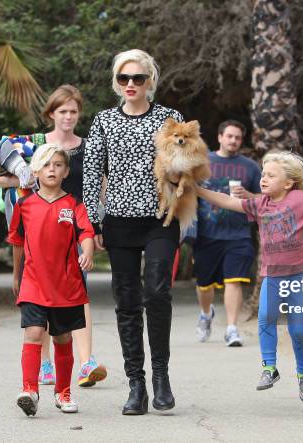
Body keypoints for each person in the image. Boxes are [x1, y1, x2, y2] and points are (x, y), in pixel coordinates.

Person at [195, 150, 303, 402]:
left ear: (288, 183)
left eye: (270, 175)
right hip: (273, 276)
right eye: (263, 174)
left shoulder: (300, 199)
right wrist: (197, 190)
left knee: (298, 330)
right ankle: (269, 368)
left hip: (300, 276)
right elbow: (226, 201)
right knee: (266, 318)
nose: (263, 179)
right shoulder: (259, 204)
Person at [83, 49, 183, 415]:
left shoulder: (171, 117)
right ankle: (136, 385)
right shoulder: (104, 121)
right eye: (123, 78)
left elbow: (188, 162)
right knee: (126, 302)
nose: (130, 85)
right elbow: (92, 173)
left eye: (137, 78)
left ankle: (161, 377)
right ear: (116, 82)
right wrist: (92, 223)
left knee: (157, 291)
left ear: (150, 82)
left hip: (162, 218)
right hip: (120, 222)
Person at [0, 85, 107, 388]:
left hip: (74, 222)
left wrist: (97, 225)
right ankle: (44, 364)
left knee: (78, 291)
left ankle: (86, 362)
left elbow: (99, 185)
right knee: (41, 294)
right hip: (39, 226)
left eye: (73, 111)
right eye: (62, 111)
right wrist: (24, 173)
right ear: (51, 113)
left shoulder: (88, 145)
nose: (68, 116)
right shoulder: (34, 144)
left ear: (79, 114)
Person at [8, 144, 95, 416]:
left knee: (62, 338)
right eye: (46, 165)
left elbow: (85, 232)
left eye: (58, 164)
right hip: (33, 282)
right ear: (35, 170)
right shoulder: (24, 205)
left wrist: (89, 251)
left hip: (66, 285)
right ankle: (30, 391)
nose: (52, 169)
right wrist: (16, 275)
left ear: (66, 171)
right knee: (33, 333)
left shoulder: (73, 204)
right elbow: (17, 243)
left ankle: (63, 392)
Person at [192, 120, 261, 346]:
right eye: (229, 136)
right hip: (207, 234)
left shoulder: (250, 167)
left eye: (238, 138)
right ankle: (206, 314)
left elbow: (265, 199)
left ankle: (232, 328)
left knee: (234, 280)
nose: (233, 141)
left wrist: (248, 194)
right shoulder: (202, 162)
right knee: (204, 285)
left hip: (239, 234)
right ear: (220, 137)